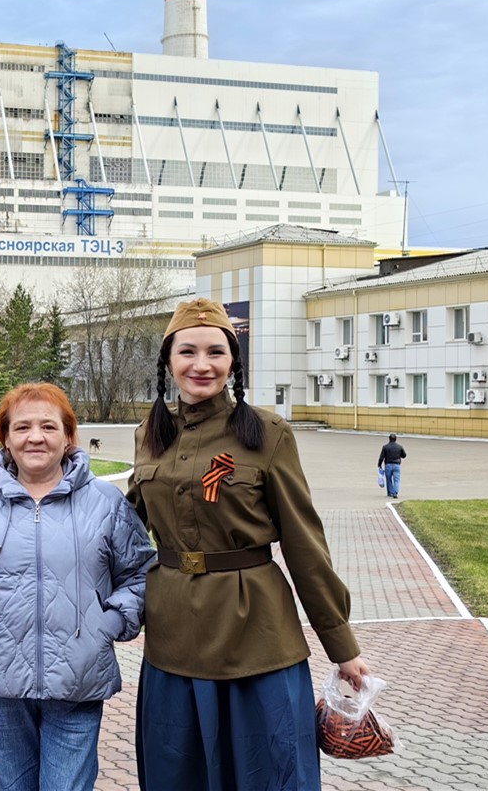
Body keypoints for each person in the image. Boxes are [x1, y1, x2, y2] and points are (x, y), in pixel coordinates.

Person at [129, 298, 371, 791]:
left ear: (233, 362)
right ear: (168, 361)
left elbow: (305, 543)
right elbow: (122, 531)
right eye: (188, 352)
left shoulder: (267, 434)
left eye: (216, 352)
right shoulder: (149, 435)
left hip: (256, 636)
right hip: (174, 637)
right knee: (179, 772)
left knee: (269, 772)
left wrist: (341, 645)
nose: (202, 364)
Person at [0, 383, 155, 791]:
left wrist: (109, 622)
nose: (35, 437)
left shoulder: (104, 502)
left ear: (68, 436)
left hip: (78, 682)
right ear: (5, 439)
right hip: (1, 686)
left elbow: (142, 572)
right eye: (22, 427)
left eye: (48, 426)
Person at [377, 434, 407, 499]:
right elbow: (404, 455)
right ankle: (395, 492)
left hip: (388, 465)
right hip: (397, 465)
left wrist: (379, 464)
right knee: (397, 480)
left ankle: (390, 492)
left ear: (389, 439)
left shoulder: (385, 447)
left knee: (388, 479)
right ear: (396, 439)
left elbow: (381, 457)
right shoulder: (399, 447)